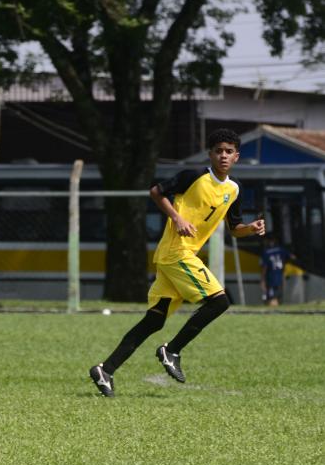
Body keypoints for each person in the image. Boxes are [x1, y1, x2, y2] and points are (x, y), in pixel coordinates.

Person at [89, 128, 265, 397]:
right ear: (211, 153)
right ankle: (171, 351)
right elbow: (156, 192)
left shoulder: (234, 189)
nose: (223, 156)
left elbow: (234, 227)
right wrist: (177, 218)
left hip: (180, 256)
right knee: (219, 301)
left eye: (229, 151)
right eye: (218, 151)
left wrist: (250, 228)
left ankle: (106, 370)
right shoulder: (193, 176)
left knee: (153, 321)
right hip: (176, 252)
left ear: (237, 157)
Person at [260, 235, 294, 306]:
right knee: (278, 296)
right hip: (279, 276)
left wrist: (262, 280)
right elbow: (292, 257)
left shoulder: (266, 253)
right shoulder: (281, 250)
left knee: (272, 299)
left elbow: (264, 268)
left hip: (271, 278)